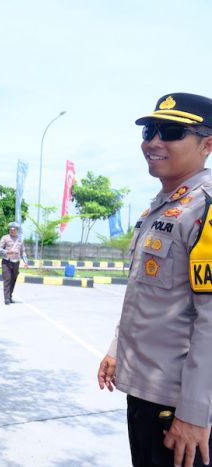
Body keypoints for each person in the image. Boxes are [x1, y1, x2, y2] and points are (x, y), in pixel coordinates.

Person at [97, 93, 212, 467]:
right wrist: (118, 349)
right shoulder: (161, 206)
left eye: (172, 131)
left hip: (180, 406)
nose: (153, 142)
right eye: (150, 130)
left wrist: (195, 415)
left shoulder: (204, 208)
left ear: (207, 144)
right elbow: (146, 293)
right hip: (145, 393)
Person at [0, 221, 28, 305]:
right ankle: (6, 299)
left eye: (14, 230)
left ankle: (10, 296)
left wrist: (26, 262)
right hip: (6, 262)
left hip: (16, 263)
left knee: (13, 280)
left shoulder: (20, 240)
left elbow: (23, 252)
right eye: (11, 229)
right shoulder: (5, 238)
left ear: (17, 230)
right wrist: (7, 252)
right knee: (7, 279)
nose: (12, 231)